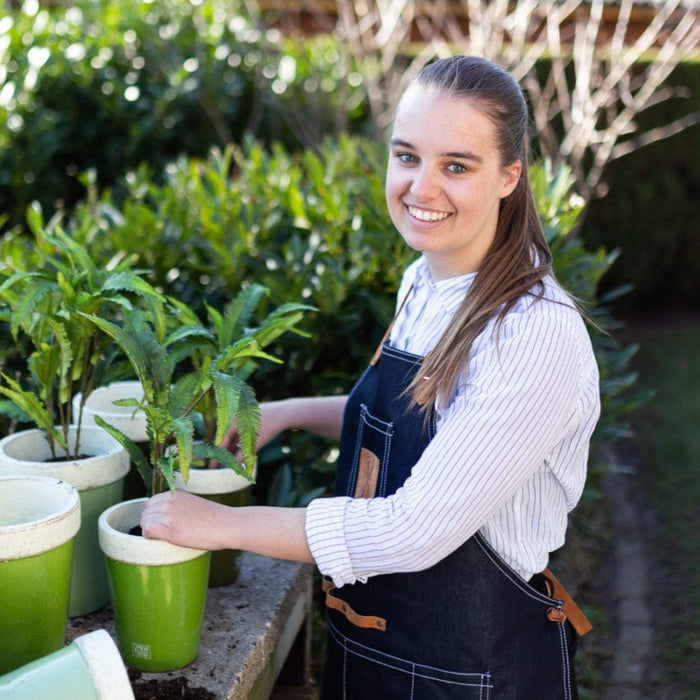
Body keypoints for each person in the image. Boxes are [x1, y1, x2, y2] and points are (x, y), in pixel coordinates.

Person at [141, 55, 600, 699]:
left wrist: (212, 524)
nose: (421, 187)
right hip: (376, 647)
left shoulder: (530, 331)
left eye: (456, 166)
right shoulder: (428, 278)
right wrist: (290, 412)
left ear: (509, 176)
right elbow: (427, 418)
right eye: (407, 156)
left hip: (468, 675)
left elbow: (411, 531)